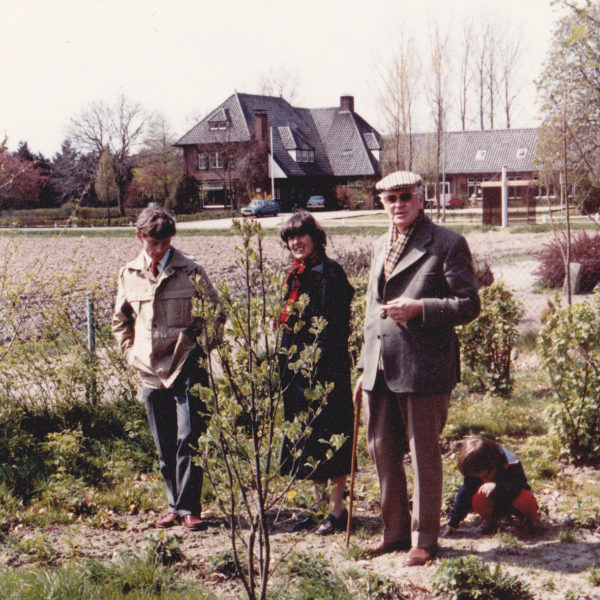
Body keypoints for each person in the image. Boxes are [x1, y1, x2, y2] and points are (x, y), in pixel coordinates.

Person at [354, 170, 481, 566]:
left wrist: (421, 308)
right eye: (389, 199)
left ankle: (424, 539)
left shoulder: (447, 243)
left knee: (422, 453)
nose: (398, 205)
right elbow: (371, 312)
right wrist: (363, 367)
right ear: (381, 202)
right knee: (382, 450)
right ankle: (393, 532)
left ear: (421, 198)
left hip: (425, 369)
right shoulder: (379, 244)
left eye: (405, 196)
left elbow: (469, 305)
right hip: (379, 368)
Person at [112, 206, 224, 531]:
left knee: (189, 436)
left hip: (187, 367)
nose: (159, 249)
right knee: (164, 441)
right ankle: (174, 505)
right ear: (140, 237)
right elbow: (121, 321)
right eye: (153, 243)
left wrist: (200, 348)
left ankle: (191, 508)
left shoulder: (190, 271)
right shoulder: (129, 274)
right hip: (149, 370)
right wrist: (131, 354)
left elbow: (216, 313)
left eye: (165, 243)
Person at [279, 210, 355, 536]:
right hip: (297, 371)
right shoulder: (295, 274)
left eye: (301, 235)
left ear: (315, 238)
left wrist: (316, 360)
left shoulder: (331, 274)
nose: (295, 242)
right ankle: (319, 505)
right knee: (305, 434)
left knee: (330, 433)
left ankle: (337, 510)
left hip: (326, 371)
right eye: (290, 237)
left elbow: (336, 326)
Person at [442, 435, 541, 536]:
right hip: (495, 505)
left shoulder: (510, 462)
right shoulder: (473, 468)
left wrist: (497, 486)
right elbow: (465, 494)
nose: (483, 479)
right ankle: (492, 523)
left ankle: (531, 521)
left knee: (524, 499)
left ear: (492, 464)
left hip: (514, 498)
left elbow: (519, 484)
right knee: (478, 498)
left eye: (485, 475)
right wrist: (453, 522)